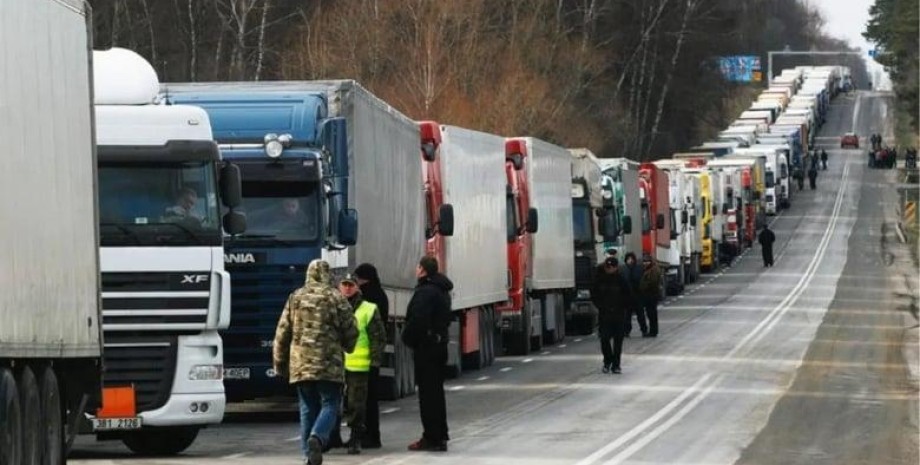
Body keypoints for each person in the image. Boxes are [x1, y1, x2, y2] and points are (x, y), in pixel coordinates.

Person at [273, 259, 358, 465]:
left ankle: (308, 455)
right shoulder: (336, 298)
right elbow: (351, 329)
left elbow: (282, 333)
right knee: (330, 403)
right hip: (329, 363)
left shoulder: (296, 297)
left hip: (301, 364)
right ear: (328, 275)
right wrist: (348, 346)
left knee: (307, 407)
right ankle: (317, 437)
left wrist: (279, 363)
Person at [402, 256, 453, 452]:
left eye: (417, 266)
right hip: (439, 346)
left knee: (428, 396)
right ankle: (440, 435)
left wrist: (408, 338)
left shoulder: (426, 292)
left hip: (427, 348)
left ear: (422, 270)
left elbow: (418, 320)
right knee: (437, 394)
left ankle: (432, 437)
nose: (416, 270)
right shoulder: (441, 290)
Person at [338, 273, 386, 455]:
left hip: (359, 366)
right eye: (345, 284)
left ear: (357, 287)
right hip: (336, 365)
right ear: (339, 287)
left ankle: (356, 438)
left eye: (351, 284)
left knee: (356, 405)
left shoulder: (369, 309)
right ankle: (333, 437)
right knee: (335, 403)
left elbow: (378, 337)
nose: (348, 288)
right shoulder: (333, 307)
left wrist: (374, 361)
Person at [353, 263, 389, 449]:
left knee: (363, 400)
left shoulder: (366, 298)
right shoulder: (381, 295)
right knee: (370, 399)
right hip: (372, 355)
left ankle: (368, 436)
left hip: (361, 356)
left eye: (357, 278)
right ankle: (372, 435)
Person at [590, 257, 632, 374]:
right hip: (605, 315)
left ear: (616, 267)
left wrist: (623, 307)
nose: (610, 269)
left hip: (619, 315)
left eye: (612, 267)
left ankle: (616, 365)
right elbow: (594, 294)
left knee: (618, 342)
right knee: (604, 339)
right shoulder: (600, 280)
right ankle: (607, 360)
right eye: (608, 267)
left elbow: (628, 295)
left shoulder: (621, 280)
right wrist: (601, 306)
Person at [622, 252, 647, 337]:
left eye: (631, 259)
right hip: (627, 296)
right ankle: (626, 331)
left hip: (637, 295)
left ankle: (644, 330)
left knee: (640, 315)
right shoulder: (623, 269)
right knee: (627, 316)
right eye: (628, 259)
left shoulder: (638, 269)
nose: (630, 261)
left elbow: (641, 280)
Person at [638, 254, 662, 338]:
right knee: (650, 313)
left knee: (652, 314)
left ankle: (653, 331)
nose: (645, 263)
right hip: (648, 295)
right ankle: (653, 331)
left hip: (651, 295)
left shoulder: (654, 270)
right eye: (644, 261)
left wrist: (644, 286)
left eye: (647, 261)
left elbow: (653, 282)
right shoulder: (647, 270)